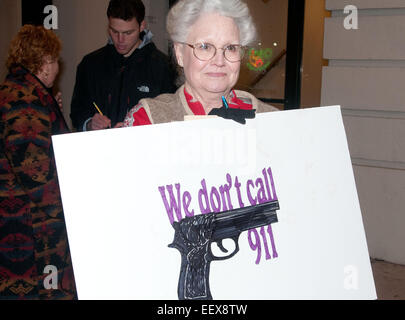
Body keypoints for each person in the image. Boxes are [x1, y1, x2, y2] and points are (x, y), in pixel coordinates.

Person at [0, 25, 76, 299]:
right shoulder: (25, 102)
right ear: (45, 63)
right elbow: (37, 176)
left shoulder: (20, 92)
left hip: (25, 228)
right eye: (55, 60)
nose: (57, 67)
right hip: (34, 235)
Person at [120, 0, 278, 128]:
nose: (219, 61)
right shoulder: (149, 119)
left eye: (230, 48)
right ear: (180, 53)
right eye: (205, 47)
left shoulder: (272, 120)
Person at [70, 0, 177, 131]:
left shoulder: (163, 67)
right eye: (114, 31)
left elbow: (172, 117)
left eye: (128, 33)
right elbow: (77, 111)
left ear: (142, 26)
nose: (120, 40)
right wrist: (89, 123)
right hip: (99, 148)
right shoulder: (90, 65)